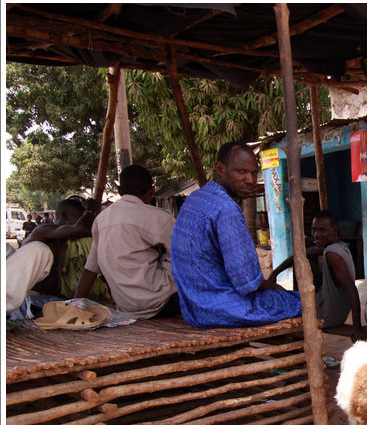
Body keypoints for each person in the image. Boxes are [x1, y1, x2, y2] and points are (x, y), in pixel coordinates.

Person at [170, 141, 302, 328]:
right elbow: (246, 280)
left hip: (192, 308)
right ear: (220, 169)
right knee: (302, 302)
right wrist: (276, 287)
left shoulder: (195, 198)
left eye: (253, 173)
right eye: (241, 172)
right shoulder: (226, 209)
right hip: (221, 309)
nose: (250, 179)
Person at [75, 165, 179, 319]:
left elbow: (90, 269)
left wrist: (74, 305)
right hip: (162, 301)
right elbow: (188, 256)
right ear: (152, 190)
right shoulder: (159, 217)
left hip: (126, 306)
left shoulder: (101, 220)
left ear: (119, 191)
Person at [270, 209, 364, 341]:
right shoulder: (338, 246)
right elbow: (301, 255)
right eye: (314, 230)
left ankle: (293, 347)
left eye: (322, 230)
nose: (316, 235)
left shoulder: (332, 254)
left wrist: (357, 327)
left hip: (327, 316)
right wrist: (275, 272)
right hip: (328, 308)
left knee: (275, 306)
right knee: (286, 297)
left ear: (334, 230)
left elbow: (351, 288)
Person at [6, 197, 109, 314]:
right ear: (65, 216)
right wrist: (90, 211)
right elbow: (82, 228)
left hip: (49, 297)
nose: (85, 221)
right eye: (81, 218)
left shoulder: (64, 239)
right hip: (31, 300)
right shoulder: (43, 231)